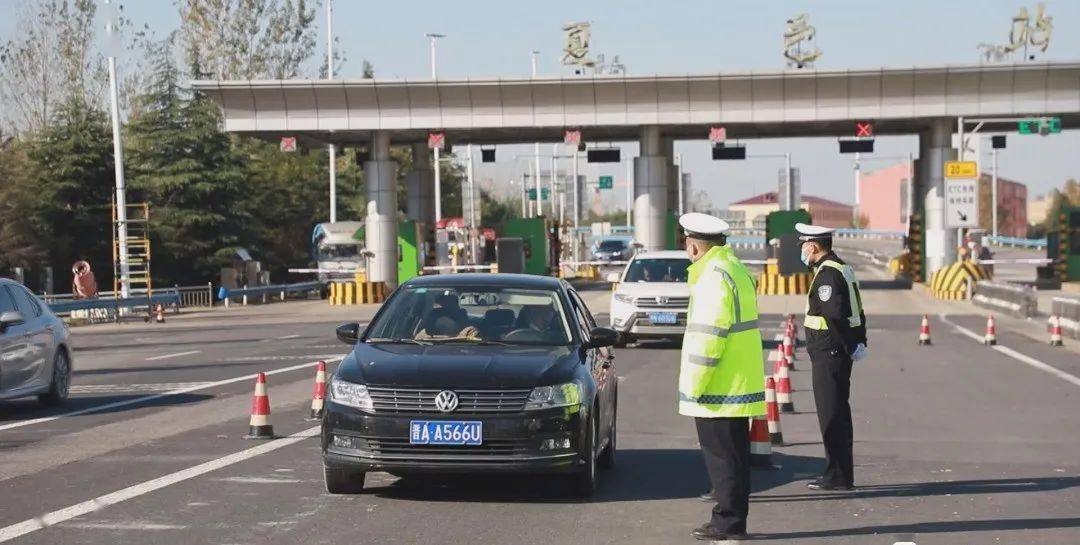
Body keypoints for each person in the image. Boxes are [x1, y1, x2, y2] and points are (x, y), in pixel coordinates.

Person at [677, 212, 766, 541]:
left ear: (694, 247)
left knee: (723, 462)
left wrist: (695, 385)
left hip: (718, 387)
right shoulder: (735, 269)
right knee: (734, 460)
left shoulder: (713, 277)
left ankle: (727, 523)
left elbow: (709, 337)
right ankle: (731, 519)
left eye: (688, 244)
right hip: (738, 383)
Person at [796, 223, 868, 491]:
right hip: (836, 351)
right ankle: (840, 473)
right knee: (838, 413)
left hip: (830, 352)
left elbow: (835, 316)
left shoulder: (827, 275)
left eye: (804, 245)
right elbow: (857, 311)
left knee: (831, 415)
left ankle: (836, 475)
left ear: (813, 247)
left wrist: (850, 345)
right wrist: (859, 341)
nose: (802, 251)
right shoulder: (842, 268)